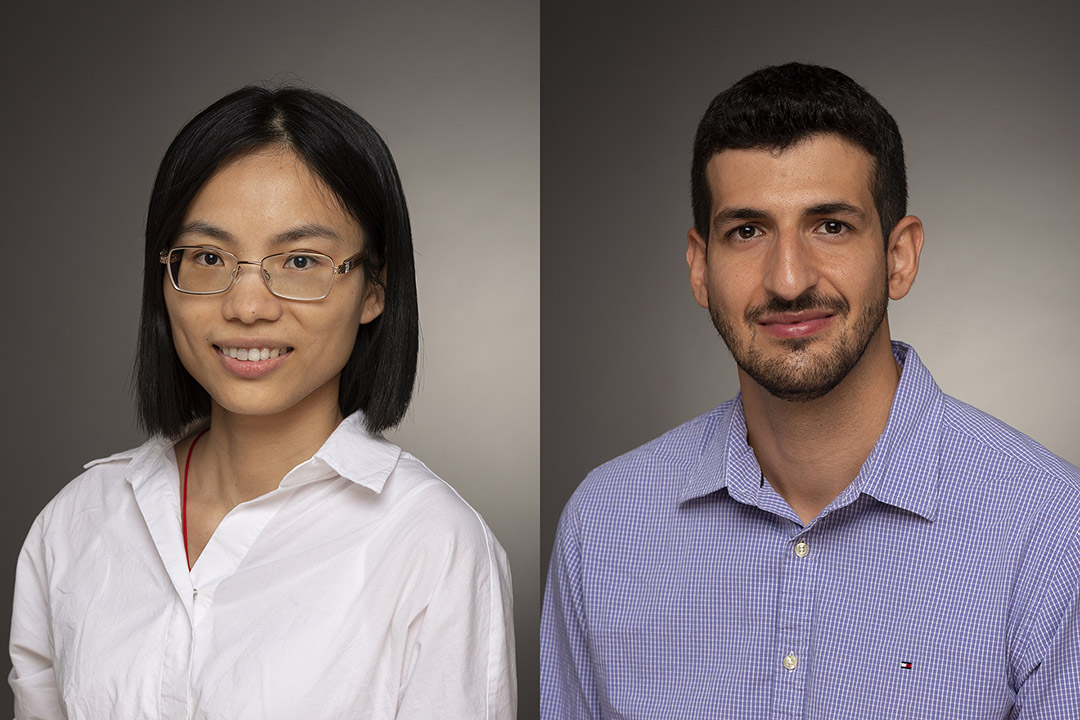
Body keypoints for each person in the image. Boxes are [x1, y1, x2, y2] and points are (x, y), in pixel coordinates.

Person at [541, 63, 1080, 718]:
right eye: (747, 231)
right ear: (700, 268)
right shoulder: (604, 528)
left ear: (900, 256)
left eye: (830, 226)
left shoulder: (1050, 532)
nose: (789, 279)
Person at [9, 86, 516, 719]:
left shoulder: (433, 546)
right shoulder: (76, 524)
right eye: (209, 257)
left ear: (374, 289)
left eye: (301, 260)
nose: (248, 307)